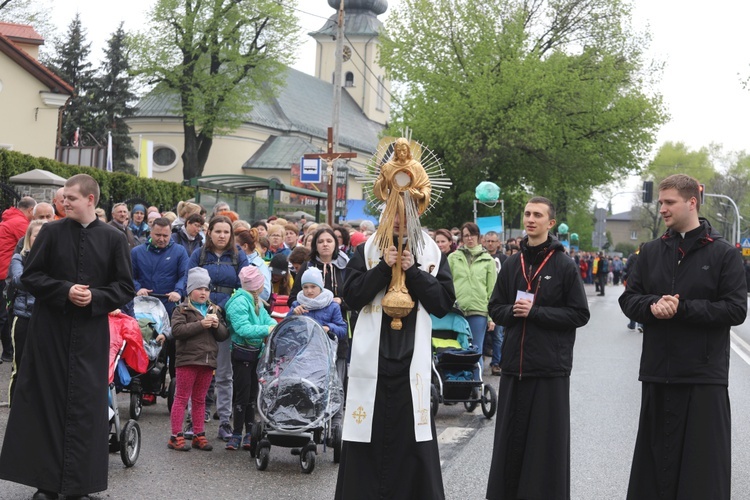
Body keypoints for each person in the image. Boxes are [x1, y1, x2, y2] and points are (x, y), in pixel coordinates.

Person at [0, 174, 134, 500]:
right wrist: (64, 290)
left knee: (87, 408)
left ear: (90, 199)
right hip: (50, 331)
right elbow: (29, 276)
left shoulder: (113, 238)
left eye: (71, 198)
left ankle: (80, 486)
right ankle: (45, 484)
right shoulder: (51, 232)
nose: (65, 202)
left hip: (90, 334)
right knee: (46, 403)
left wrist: (96, 298)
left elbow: (125, 287)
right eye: (63, 198)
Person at [618, 174, 747, 500]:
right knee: (654, 470)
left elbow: (735, 311)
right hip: (657, 373)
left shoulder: (723, 254)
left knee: (701, 474)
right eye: (660, 202)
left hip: (703, 377)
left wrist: (683, 308)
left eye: (669, 202)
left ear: (692, 202)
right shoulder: (650, 251)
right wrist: (652, 305)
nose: (662, 208)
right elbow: (629, 299)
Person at [335, 212, 455, 499]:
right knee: (366, 438)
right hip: (373, 364)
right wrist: (382, 269)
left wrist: (413, 272)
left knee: (411, 440)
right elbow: (350, 297)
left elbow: (442, 304)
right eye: (394, 213)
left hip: (411, 363)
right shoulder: (366, 250)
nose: (399, 220)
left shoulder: (432, 253)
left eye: (406, 214)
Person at [486, 196, 590, 500]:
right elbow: (496, 307)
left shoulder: (564, 265)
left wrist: (537, 313)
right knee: (510, 443)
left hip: (549, 369)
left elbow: (579, 314)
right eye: (527, 214)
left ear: (550, 223)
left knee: (545, 447)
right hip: (514, 367)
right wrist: (513, 313)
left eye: (538, 215)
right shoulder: (511, 263)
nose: (531, 219)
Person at [188, 215, 249, 441]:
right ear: (209, 233)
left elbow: (245, 284)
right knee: (196, 369)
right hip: (200, 315)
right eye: (218, 231)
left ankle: (224, 421)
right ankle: (193, 419)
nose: (222, 236)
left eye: (226, 232)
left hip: (225, 317)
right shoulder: (199, 254)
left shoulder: (238, 256)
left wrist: (223, 307)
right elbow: (189, 282)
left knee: (224, 373)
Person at [169, 267, 229, 452]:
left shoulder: (213, 310)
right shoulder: (182, 309)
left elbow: (223, 335)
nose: (203, 293)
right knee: (181, 397)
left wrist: (217, 325)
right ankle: (175, 435)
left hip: (207, 361)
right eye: (199, 289)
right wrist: (200, 324)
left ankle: (199, 434)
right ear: (190, 291)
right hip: (187, 360)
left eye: (206, 289)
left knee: (200, 399)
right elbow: (177, 332)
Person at [223, 266, 276, 451]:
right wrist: (266, 330)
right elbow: (242, 329)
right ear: (258, 286)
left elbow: (266, 319)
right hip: (242, 353)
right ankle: (237, 433)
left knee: (253, 394)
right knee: (242, 394)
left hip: (255, 352)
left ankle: (249, 431)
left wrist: (274, 326)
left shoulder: (256, 301)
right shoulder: (240, 301)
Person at [6, 220, 46, 405]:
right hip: (23, 318)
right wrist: (46, 280)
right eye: (36, 235)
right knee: (20, 366)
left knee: (44, 367)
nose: (40, 238)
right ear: (29, 237)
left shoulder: (54, 259)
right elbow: (19, 280)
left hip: (47, 319)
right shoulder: (19, 258)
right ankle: (16, 406)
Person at [448, 222, 497, 371]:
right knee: (456, 349)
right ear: (462, 238)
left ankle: (477, 386)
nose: (470, 239)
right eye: (466, 235)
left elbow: (492, 290)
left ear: (478, 237)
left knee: (476, 350)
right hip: (456, 310)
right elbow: (447, 284)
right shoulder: (453, 258)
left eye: (473, 235)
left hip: (479, 311)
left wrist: (491, 317)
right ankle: (458, 382)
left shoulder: (488, 260)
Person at [0, 196, 35, 362]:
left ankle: (7, 352)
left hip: (5, 270)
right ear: (30, 211)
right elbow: (31, 247)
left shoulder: (9, 219)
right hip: (7, 272)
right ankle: (7, 351)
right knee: (4, 316)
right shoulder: (21, 224)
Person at [288, 267, 347, 341]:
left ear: (321, 287)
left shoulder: (332, 306)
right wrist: (293, 314)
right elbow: (285, 329)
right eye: (305, 287)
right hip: (301, 348)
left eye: (313, 286)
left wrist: (329, 328)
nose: (309, 291)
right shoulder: (297, 305)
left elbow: (342, 330)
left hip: (325, 349)